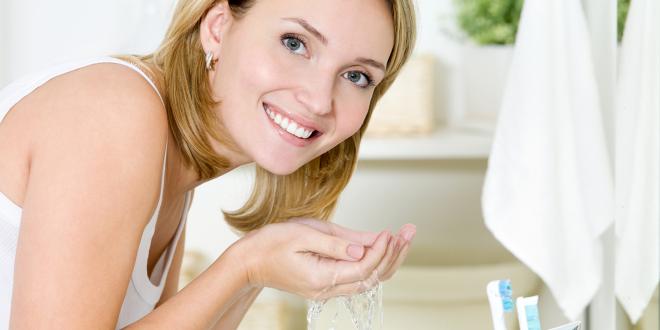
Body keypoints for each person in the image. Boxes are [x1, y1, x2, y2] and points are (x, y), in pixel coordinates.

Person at [0, 0, 417, 328]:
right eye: (295, 43)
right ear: (217, 26)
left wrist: (258, 272)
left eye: (357, 76)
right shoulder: (115, 112)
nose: (319, 99)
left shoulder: (173, 168)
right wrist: (245, 265)